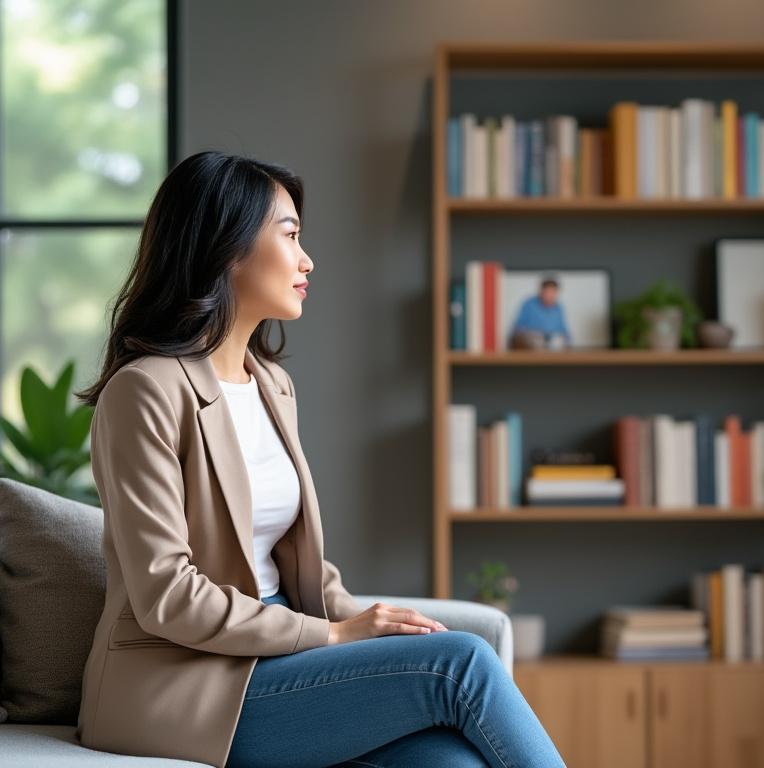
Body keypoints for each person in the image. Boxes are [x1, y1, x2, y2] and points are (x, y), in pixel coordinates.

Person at [73, 151, 564, 768]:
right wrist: (333, 635)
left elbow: (291, 557)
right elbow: (167, 595)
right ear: (227, 247)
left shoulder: (272, 385)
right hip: (183, 681)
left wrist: (363, 618)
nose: (308, 260)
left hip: (280, 654)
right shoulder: (145, 390)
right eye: (291, 235)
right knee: (460, 661)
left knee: (448, 762)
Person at [510, 277, 572, 348]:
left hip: (553, 347)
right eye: (547, 292)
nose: (550, 296)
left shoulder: (558, 308)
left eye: (553, 292)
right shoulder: (529, 304)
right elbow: (518, 330)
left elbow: (565, 334)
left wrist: (564, 339)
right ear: (541, 292)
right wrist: (535, 335)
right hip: (532, 344)